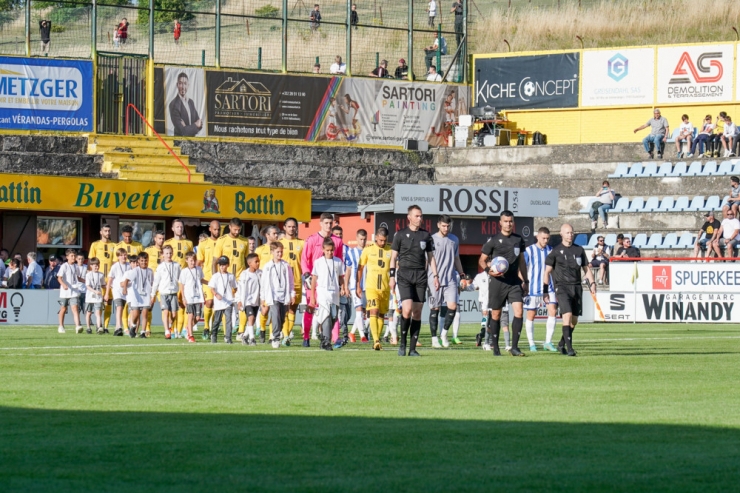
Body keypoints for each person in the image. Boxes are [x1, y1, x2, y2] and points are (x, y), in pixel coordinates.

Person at [390, 205, 439, 357]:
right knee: (407, 309)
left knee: (417, 312)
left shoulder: (426, 236)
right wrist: (392, 276)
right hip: (404, 275)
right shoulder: (400, 235)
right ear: (409, 217)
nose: (420, 219)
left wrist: (436, 276)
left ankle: (412, 349)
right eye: (417, 216)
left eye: (421, 216)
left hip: (420, 276)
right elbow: (393, 257)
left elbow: (431, 257)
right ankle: (402, 343)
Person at [478, 210, 528, 357]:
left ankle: (514, 347)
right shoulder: (493, 240)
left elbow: (522, 262)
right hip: (498, 282)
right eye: (505, 221)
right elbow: (481, 260)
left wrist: (526, 281)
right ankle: (496, 348)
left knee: (519, 311)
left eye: (510, 221)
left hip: (514, 282)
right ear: (500, 223)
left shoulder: (518, 240)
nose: (508, 224)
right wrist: (489, 270)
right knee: (496, 314)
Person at [543, 224, 596, 357]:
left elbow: (586, 269)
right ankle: (570, 349)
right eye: (567, 233)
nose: (570, 235)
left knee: (574, 320)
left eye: (571, 232)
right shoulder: (555, 252)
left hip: (577, 287)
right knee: (566, 315)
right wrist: (545, 291)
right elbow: (547, 272)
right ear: (561, 234)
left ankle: (561, 343)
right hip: (562, 287)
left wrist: (592, 283)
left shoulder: (579, 250)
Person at [301, 213, 343, 345]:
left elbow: (340, 261)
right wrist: (307, 274)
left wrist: (342, 284)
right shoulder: (312, 239)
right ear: (320, 223)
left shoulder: (337, 241)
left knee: (333, 310)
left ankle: (334, 339)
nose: (328, 226)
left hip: (331, 283)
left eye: (331, 223)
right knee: (311, 308)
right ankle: (306, 336)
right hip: (314, 281)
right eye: (326, 223)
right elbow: (304, 259)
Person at [427, 215, 465, 348]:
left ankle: (444, 333)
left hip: (450, 279)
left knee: (453, 306)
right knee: (435, 308)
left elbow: (456, 258)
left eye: (448, 226)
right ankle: (434, 338)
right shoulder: (431, 239)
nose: (446, 228)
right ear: (438, 225)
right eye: (443, 226)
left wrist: (461, 273)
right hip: (434, 279)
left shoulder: (454, 239)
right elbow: (428, 259)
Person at [356, 227, 392, 350]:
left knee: (382, 315)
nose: (382, 243)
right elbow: (360, 268)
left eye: (385, 240)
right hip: (371, 287)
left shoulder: (390, 250)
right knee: (373, 311)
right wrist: (358, 285)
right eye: (381, 240)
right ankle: (376, 340)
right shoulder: (368, 250)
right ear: (376, 237)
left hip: (385, 288)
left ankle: (377, 339)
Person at [524, 227, 559, 352]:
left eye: (548, 238)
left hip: (548, 287)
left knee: (553, 311)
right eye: (543, 238)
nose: (545, 240)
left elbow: (554, 270)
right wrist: (523, 283)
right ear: (537, 237)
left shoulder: (551, 251)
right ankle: (531, 343)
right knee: (531, 314)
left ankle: (548, 342)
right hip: (533, 288)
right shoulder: (529, 250)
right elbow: (522, 268)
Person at [312, 237, 345, 351]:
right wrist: (312, 295)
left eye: (331, 250)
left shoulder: (338, 261)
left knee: (333, 317)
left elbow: (341, 277)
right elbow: (314, 279)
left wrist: (343, 287)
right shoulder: (318, 262)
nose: (330, 252)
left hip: (334, 294)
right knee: (325, 315)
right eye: (327, 250)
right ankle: (326, 341)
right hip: (322, 292)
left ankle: (323, 338)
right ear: (323, 249)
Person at [261, 243, 296, 349]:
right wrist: (262, 298)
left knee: (282, 318)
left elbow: (290, 281)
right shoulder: (268, 266)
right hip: (273, 296)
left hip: (284, 296)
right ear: (272, 252)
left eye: (281, 251)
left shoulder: (286, 265)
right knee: (275, 315)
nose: (280, 254)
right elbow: (263, 283)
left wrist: (292, 294)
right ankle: (275, 338)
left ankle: (277, 332)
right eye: (277, 252)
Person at [164, 219, 194, 337]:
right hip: (173, 279)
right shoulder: (168, 242)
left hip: (186, 279)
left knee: (184, 304)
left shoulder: (189, 243)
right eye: (177, 227)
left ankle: (182, 329)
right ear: (172, 229)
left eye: (181, 227)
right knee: (173, 307)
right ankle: (172, 328)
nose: (180, 229)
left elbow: (191, 259)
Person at [280, 218, 304, 344]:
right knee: (285, 309)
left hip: (297, 281)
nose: (292, 229)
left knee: (292, 309)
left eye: (294, 226)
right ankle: (285, 335)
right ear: (284, 227)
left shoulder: (302, 243)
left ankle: (287, 335)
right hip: (283, 283)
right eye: (289, 226)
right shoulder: (279, 243)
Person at [197, 220, 221, 339]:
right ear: (210, 229)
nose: (217, 231)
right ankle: (206, 327)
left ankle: (214, 328)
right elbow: (199, 261)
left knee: (219, 305)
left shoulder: (223, 242)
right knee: (209, 302)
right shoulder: (203, 244)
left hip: (221, 278)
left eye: (218, 229)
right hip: (207, 278)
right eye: (215, 229)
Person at [151, 245, 181, 339]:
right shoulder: (160, 267)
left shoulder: (176, 265)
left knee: (173, 314)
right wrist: (153, 294)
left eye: (170, 253)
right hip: (163, 292)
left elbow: (180, 279)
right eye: (166, 253)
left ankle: (170, 326)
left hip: (174, 293)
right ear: (162, 255)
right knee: (165, 312)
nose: (168, 255)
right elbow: (156, 281)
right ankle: (166, 331)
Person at [121, 252, 153, 338]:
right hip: (136, 295)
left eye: (145, 260)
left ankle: (143, 332)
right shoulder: (135, 271)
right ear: (138, 261)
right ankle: (133, 326)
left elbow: (152, 283)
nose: (144, 262)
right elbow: (127, 280)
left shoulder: (150, 271)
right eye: (142, 261)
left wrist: (152, 295)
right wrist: (124, 289)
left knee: (145, 313)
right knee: (136, 314)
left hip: (146, 294)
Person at [345, 229, 368, 343]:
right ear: (356, 238)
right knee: (359, 311)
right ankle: (363, 336)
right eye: (360, 239)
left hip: (367, 286)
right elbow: (348, 270)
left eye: (364, 239)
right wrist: (346, 286)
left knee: (363, 312)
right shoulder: (351, 252)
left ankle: (352, 332)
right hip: (355, 285)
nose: (362, 241)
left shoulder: (369, 251)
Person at [208, 256, 237, 344]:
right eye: (220, 265)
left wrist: (233, 294)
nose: (222, 267)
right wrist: (216, 294)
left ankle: (228, 337)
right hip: (219, 302)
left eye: (224, 265)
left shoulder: (231, 276)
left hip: (228, 301)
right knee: (217, 320)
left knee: (228, 320)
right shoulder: (215, 276)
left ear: (228, 265)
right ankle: (214, 334)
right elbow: (211, 288)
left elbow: (235, 287)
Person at [178, 251, 204, 343]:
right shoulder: (184, 271)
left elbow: (201, 280)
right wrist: (183, 297)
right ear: (186, 261)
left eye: (194, 260)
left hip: (198, 297)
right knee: (190, 316)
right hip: (189, 297)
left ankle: (187, 329)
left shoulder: (199, 269)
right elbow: (182, 285)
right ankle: (191, 336)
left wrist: (209, 283)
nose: (193, 262)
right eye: (191, 261)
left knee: (197, 318)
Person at [104, 249, 131, 336]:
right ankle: (119, 326)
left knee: (126, 309)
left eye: (125, 255)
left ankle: (119, 328)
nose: (124, 257)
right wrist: (107, 293)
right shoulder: (115, 266)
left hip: (126, 291)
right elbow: (110, 280)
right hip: (117, 290)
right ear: (118, 257)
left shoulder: (129, 265)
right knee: (119, 308)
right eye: (122, 255)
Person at [236, 254, 261, 346]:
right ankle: (252, 339)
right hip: (247, 301)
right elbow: (240, 289)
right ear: (249, 263)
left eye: (258, 261)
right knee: (251, 318)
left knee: (252, 320)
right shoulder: (244, 274)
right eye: (256, 262)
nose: (258, 263)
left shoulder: (260, 273)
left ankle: (245, 336)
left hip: (256, 301)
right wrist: (239, 300)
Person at [57, 249, 83, 334]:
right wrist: (64, 285)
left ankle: (77, 326)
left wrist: (86, 281)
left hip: (74, 291)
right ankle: (61, 326)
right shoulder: (64, 266)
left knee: (75, 308)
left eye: (74, 256)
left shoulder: (76, 266)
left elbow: (77, 278)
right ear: (67, 257)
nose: (73, 257)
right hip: (65, 292)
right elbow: (59, 277)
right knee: (63, 308)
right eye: (72, 256)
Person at [169, 72, 203, 137]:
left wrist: (187, 127)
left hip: (192, 143)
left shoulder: (191, 102)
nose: (183, 87)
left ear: (188, 85)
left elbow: (200, 124)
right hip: (180, 143)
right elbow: (182, 131)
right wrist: (195, 125)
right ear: (177, 85)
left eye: (185, 84)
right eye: (180, 83)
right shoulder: (173, 104)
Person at [84, 258, 105, 334]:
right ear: (91, 266)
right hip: (90, 297)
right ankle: (88, 327)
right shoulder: (88, 275)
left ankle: (99, 327)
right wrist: (95, 291)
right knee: (89, 313)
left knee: (98, 313)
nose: (97, 267)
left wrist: (107, 289)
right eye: (95, 265)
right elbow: (88, 286)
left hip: (98, 297)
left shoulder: (101, 274)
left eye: (98, 265)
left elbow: (103, 285)